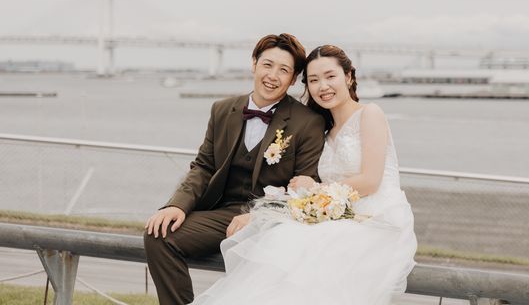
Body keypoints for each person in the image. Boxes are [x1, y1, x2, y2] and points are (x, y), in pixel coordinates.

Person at [193, 44, 417, 304]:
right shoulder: (325, 131)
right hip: (336, 214)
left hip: (376, 216)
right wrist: (270, 208)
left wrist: (314, 190)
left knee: (299, 252)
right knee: (281, 244)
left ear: (348, 76)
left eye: (330, 76)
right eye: (314, 80)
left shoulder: (370, 114)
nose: (323, 86)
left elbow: (370, 180)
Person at [144, 33, 326, 305]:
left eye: (283, 70)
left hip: (272, 221)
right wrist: (177, 205)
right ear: (254, 64)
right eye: (267, 65)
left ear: (292, 78)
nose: (272, 76)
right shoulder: (222, 110)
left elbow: (304, 188)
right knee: (159, 235)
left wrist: (259, 216)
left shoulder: (308, 122)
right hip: (223, 213)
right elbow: (204, 166)